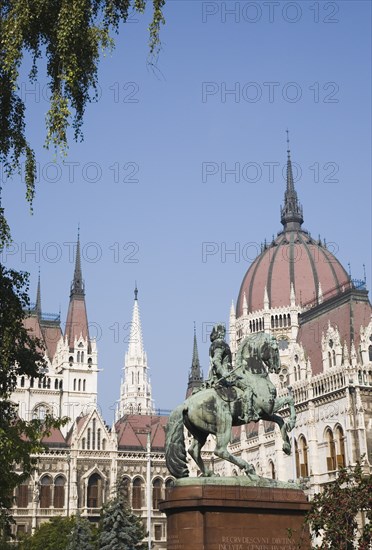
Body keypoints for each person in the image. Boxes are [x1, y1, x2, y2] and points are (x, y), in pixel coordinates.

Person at [208, 323, 256, 423]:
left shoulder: (214, 345)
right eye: (222, 331)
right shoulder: (220, 344)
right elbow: (216, 360)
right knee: (248, 388)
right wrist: (224, 372)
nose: (223, 334)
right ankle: (249, 414)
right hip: (227, 376)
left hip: (218, 375)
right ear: (219, 333)